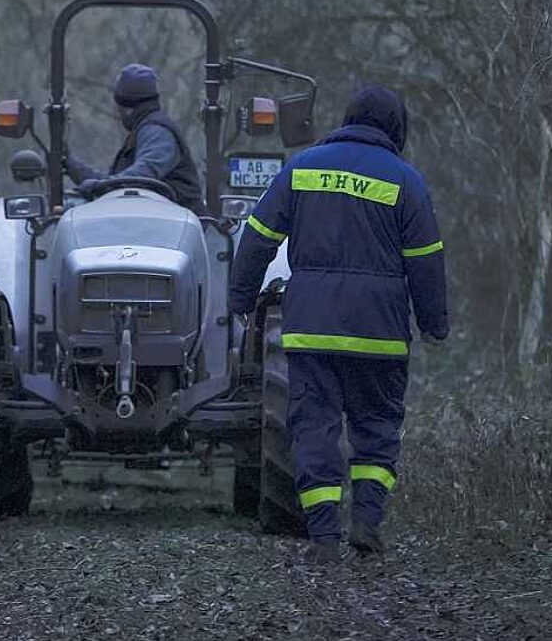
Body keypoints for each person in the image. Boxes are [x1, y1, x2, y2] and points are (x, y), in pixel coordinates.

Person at [228, 85, 448, 562]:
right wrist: (434, 323)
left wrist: (241, 297)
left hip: (312, 329)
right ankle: (367, 522)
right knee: (377, 427)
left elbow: (258, 237)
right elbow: (426, 262)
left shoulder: (302, 169)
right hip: (380, 334)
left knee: (314, 428)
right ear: (397, 130)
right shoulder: (407, 182)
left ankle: (324, 536)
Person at [65, 63, 206, 214]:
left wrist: (97, 186)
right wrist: (70, 164)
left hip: (177, 226)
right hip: (151, 221)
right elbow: (115, 183)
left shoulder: (157, 132)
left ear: (126, 108)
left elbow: (140, 176)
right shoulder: (141, 132)